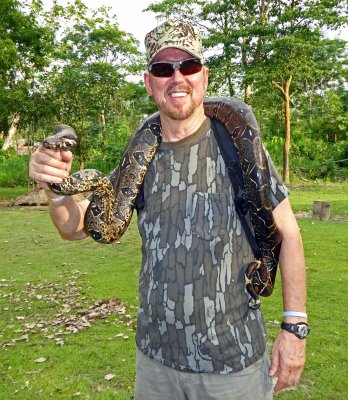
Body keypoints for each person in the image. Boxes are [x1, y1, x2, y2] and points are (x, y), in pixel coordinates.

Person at [29, 19, 308, 400]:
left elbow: (289, 234)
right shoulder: (139, 154)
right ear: (149, 82)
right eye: (163, 69)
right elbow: (78, 228)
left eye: (188, 67)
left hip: (234, 366)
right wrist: (57, 190)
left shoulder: (237, 143)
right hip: (156, 364)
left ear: (204, 76)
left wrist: (295, 327)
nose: (177, 78)